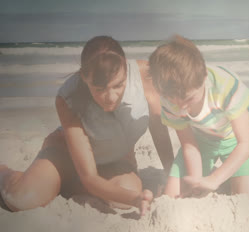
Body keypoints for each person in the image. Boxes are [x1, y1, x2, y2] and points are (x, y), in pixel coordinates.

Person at [0, 36, 174, 216]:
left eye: (118, 85)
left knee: (120, 200)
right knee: (21, 199)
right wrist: (135, 199)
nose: (111, 97)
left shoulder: (145, 75)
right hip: (66, 156)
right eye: (100, 89)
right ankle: (4, 172)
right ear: (84, 77)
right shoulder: (67, 97)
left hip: (117, 161)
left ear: (125, 69)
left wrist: (171, 175)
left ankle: (66, 187)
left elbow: (159, 129)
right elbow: (89, 176)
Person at [148, 35, 249, 200]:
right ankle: (217, 176)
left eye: (188, 99)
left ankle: (225, 176)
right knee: (173, 197)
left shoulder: (225, 87)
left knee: (248, 202)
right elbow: (189, 145)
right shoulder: (167, 97)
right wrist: (197, 183)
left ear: (204, 77)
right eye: (175, 101)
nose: (182, 108)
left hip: (236, 139)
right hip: (201, 139)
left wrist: (215, 179)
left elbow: (246, 143)